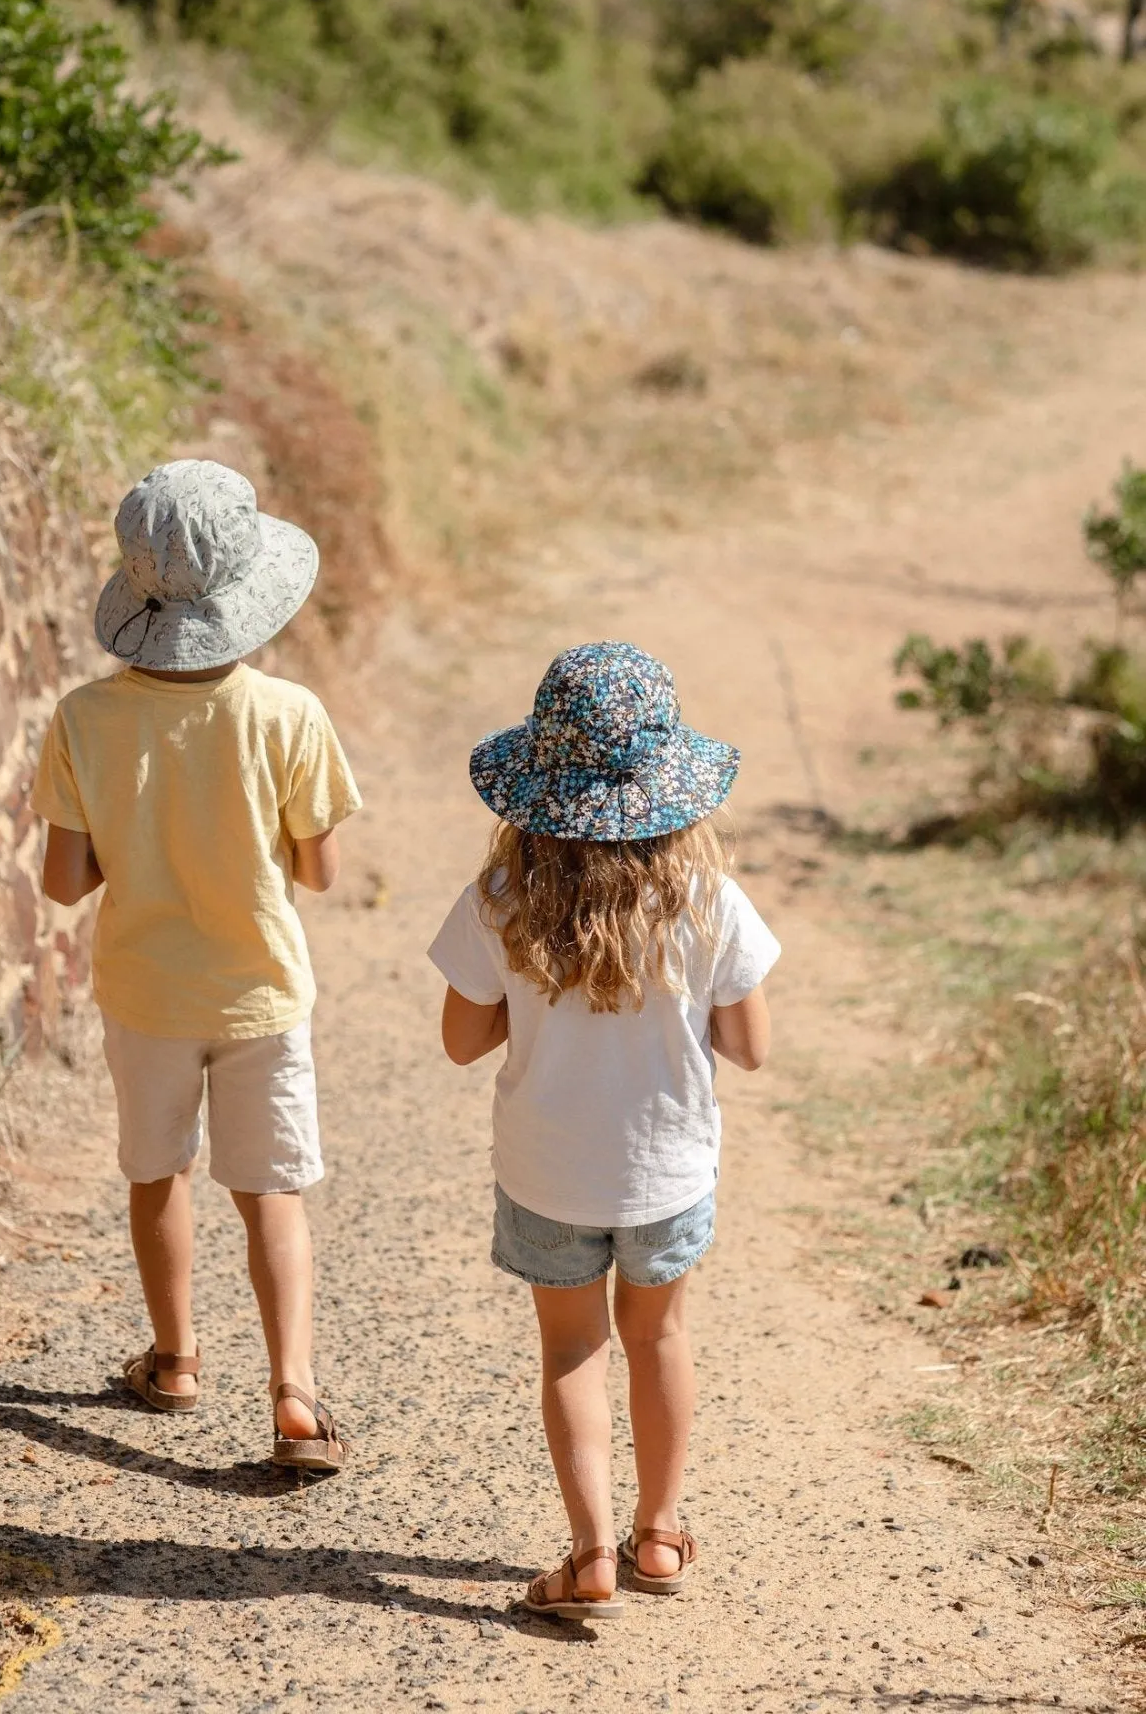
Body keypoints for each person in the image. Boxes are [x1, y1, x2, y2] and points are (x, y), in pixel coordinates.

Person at [428, 641, 778, 1619]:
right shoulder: (707, 901)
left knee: (572, 1349)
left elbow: (461, 1041)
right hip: (666, 1170)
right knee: (658, 1336)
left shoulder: (503, 901)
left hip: (547, 1170)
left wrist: (524, 1000)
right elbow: (750, 1044)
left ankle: (588, 1554)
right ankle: (659, 1534)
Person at [32, 459, 360, 1470]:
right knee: (272, 1192)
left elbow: (63, 880)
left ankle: (174, 1358)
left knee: (157, 1169)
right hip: (260, 986)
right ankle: (294, 1392)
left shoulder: (87, 717)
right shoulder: (290, 714)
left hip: (145, 989)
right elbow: (323, 865)